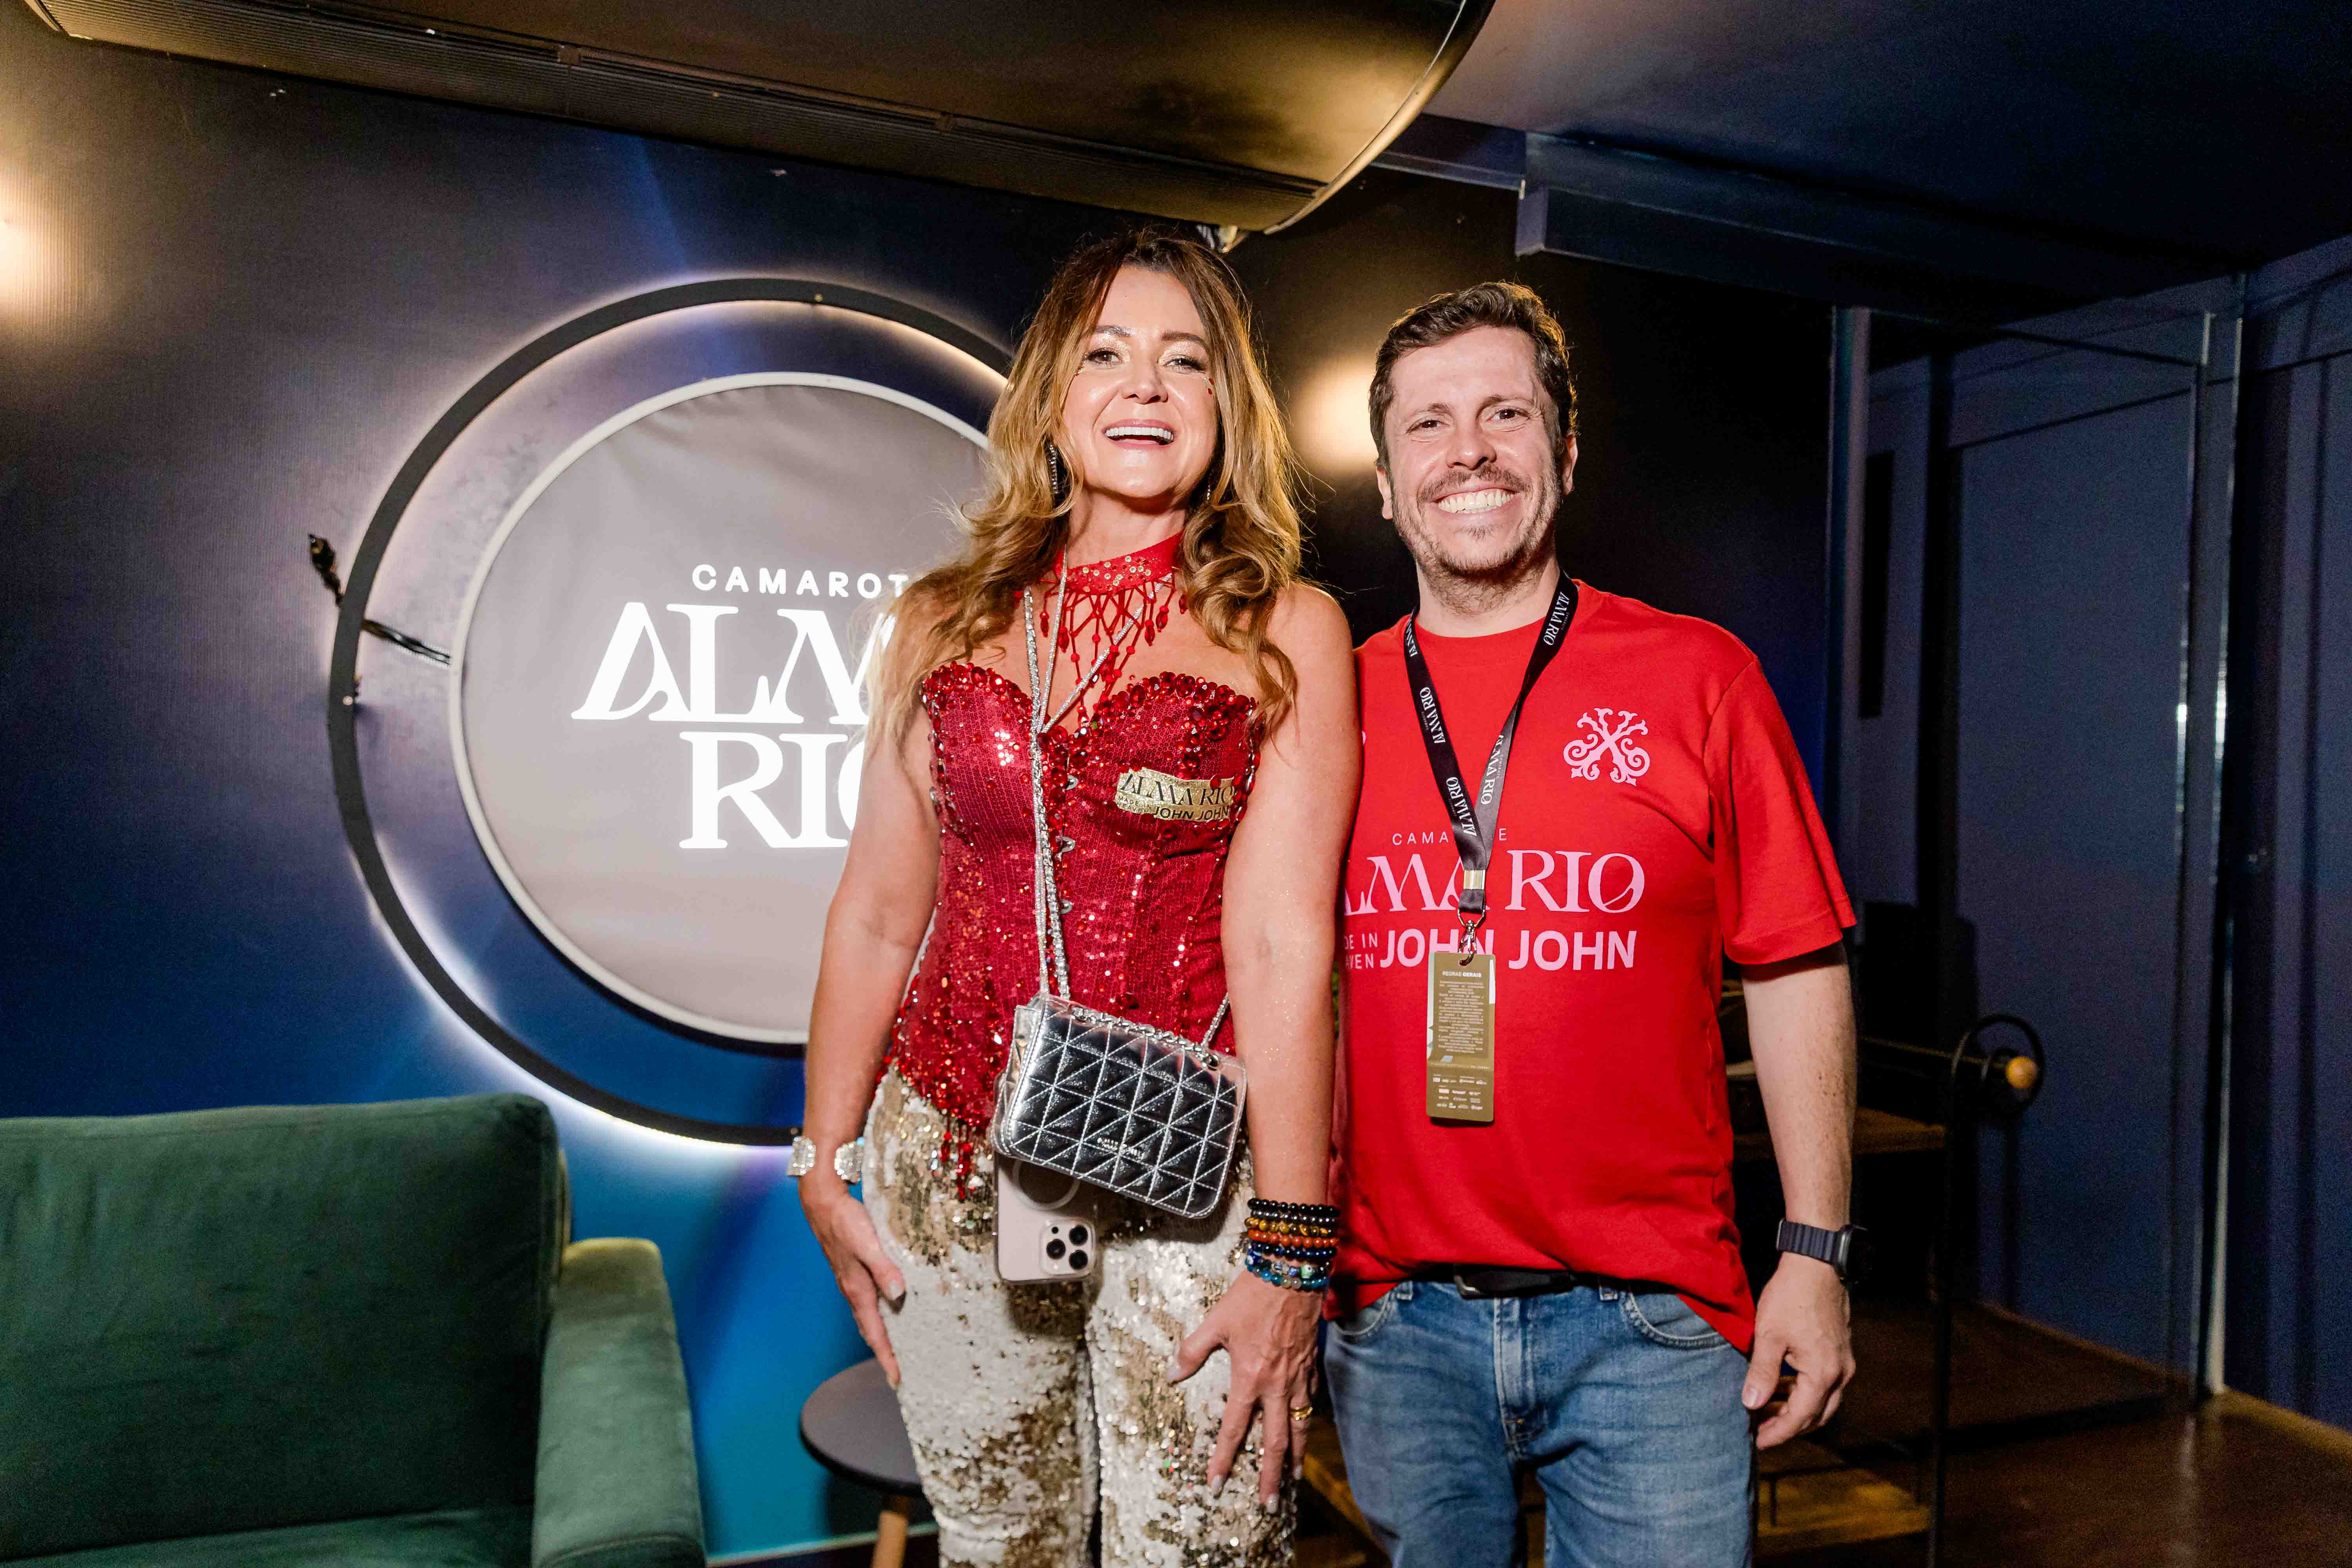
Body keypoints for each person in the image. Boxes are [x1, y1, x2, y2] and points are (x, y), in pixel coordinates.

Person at [795, 228, 1359, 1568]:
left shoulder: (1289, 627)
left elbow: (1285, 945)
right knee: (1002, 1547)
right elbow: (877, 913)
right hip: (947, 1162)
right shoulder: (940, 619)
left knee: (1208, 1549)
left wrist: (1290, 1250)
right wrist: (823, 1162)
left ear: (1227, 407)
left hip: (1193, 1181)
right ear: (1053, 396)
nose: (1146, 386)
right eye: (1106, 354)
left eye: (1186, 361)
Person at [1325, 281, 1860, 1568]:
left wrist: (1817, 1251)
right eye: (1429, 424)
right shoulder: (1325, 703)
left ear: (1565, 455)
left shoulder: (1701, 677)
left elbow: (1797, 962)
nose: (1469, 451)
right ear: (1387, 485)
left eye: (1506, 414)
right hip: (1395, 1319)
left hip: (1652, 1328)